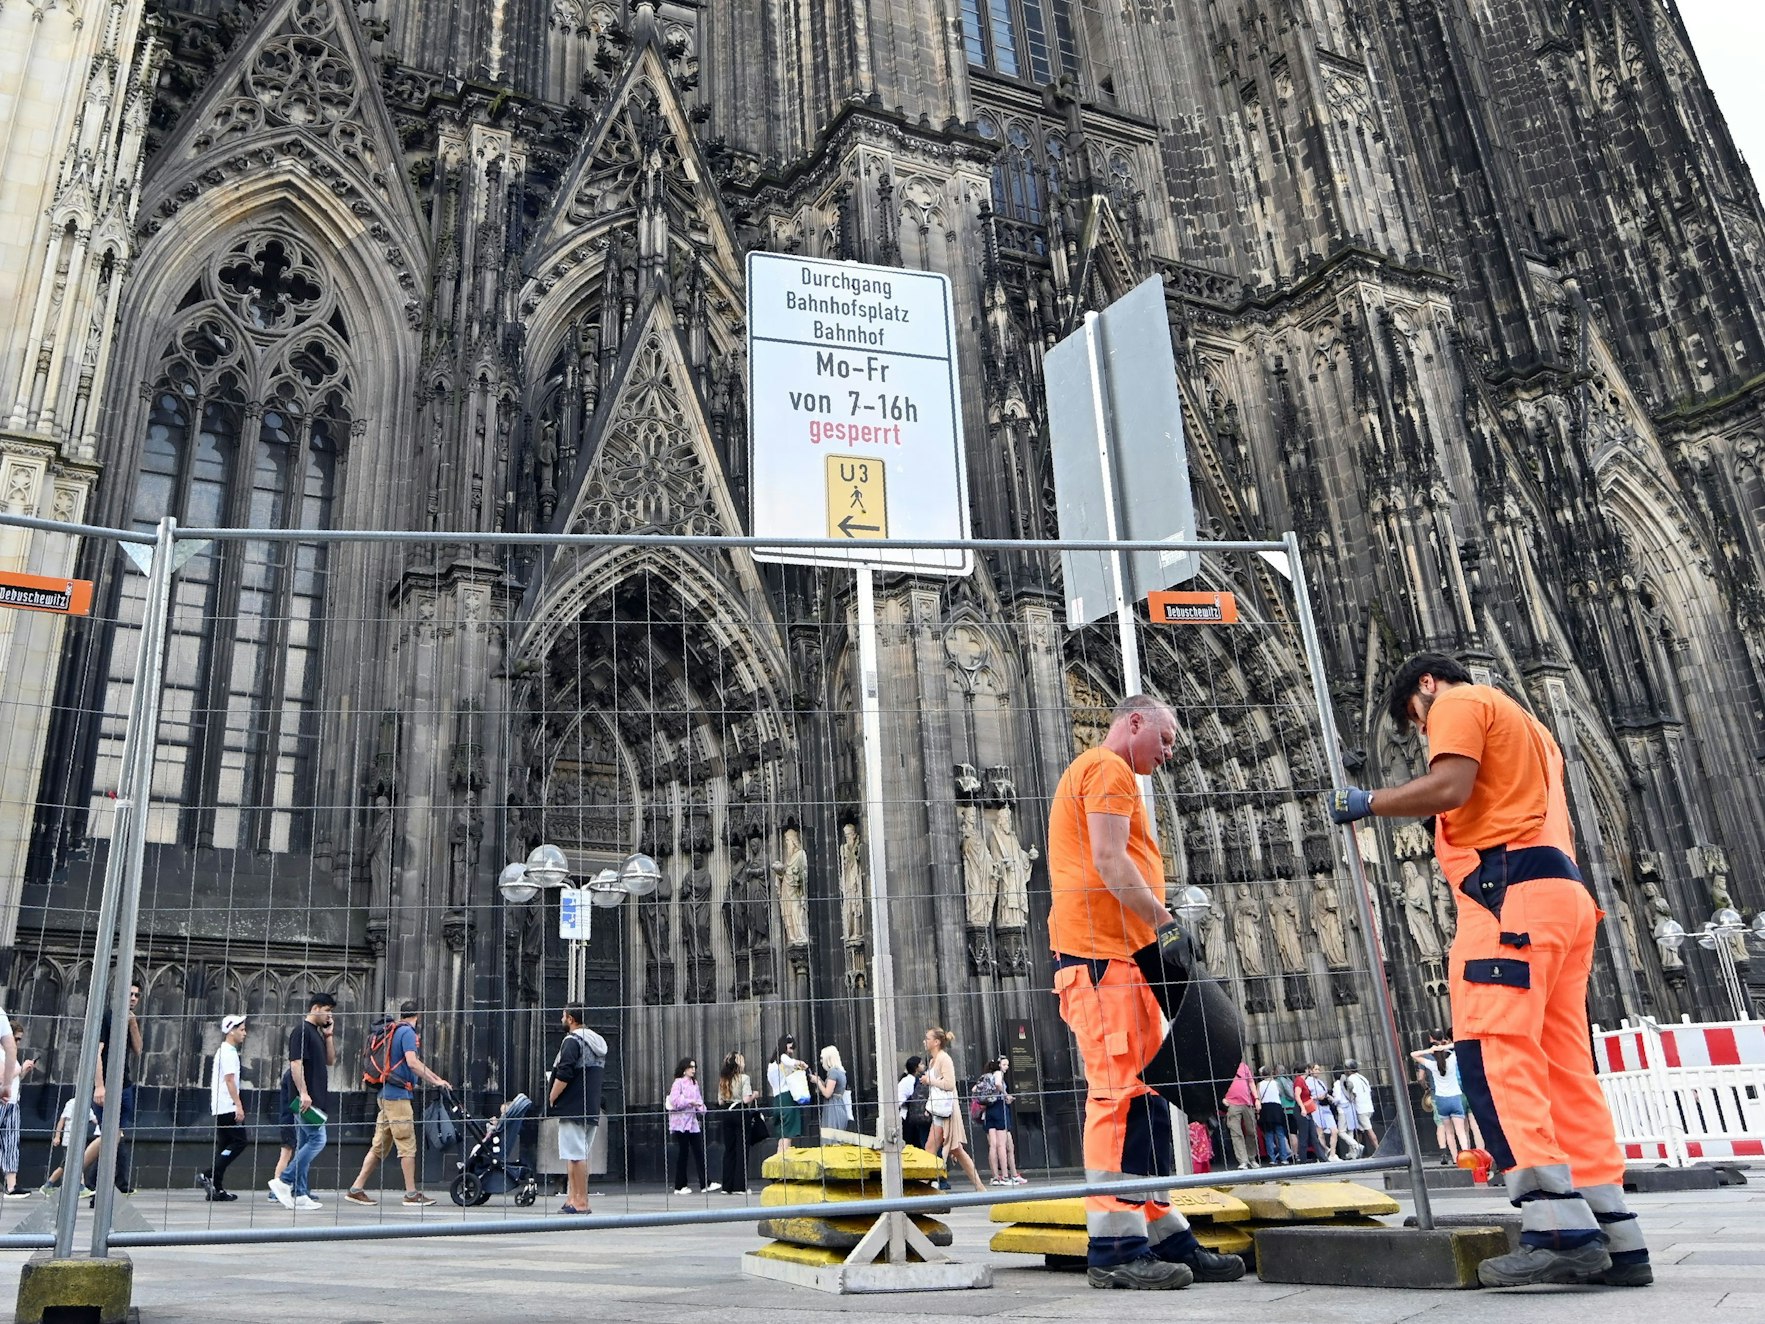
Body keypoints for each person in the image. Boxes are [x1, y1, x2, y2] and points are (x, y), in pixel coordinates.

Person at [1329, 652, 1652, 1288]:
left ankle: (1558, 1229)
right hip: (1562, 900)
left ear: (1425, 687)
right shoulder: (1533, 729)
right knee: (1563, 1069)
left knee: (1492, 1057)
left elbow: (1450, 786)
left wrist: (1368, 801)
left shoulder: (1457, 702)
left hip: (1507, 896)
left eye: (1415, 724)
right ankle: (1616, 1235)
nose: (1423, 734)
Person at [1046, 694, 1246, 1290]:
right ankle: (1114, 1249)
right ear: (1134, 722)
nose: (1169, 752)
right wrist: (1167, 923)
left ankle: (1163, 1235)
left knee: (1147, 1096)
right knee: (1118, 1097)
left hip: (1124, 959)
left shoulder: (1111, 774)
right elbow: (1109, 860)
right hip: (1101, 958)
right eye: (1165, 738)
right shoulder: (1106, 767)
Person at [345, 1001, 451, 1208]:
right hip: (398, 1097)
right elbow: (412, 1062)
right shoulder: (408, 1033)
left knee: (379, 1145)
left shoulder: (392, 1031)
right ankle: (411, 1194)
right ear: (417, 1015)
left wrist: (436, 1078)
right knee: (407, 1144)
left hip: (386, 1095)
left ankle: (356, 1189)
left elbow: (412, 1064)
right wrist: (437, 1081)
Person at [270, 991, 336, 1212]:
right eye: (327, 1011)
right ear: (315, 1008)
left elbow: (330, 1060)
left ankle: (300, 1193)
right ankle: (284, 1181)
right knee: (318, 1140)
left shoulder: (316, 1033)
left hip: (311, 1098)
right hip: (305, 1100)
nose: (329, 1016)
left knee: (305, 1144)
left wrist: (329, 1036)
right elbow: (295, 1064)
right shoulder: (301, 1031)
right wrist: (304, 1093)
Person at [547, 1008, 607, 1214]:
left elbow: (564, 1072)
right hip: (589, 1106)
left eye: (563, 1016)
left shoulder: (572, 1041)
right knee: (576, 1154)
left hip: (573, 1105)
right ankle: (573, 1198)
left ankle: (581, 1201)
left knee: (576, 1156)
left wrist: (552, 1096)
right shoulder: (595, 1042)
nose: (561, 1019)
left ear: (571, 1019)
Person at [921, 1027, 986, 1194]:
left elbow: (949, 1085)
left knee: (933, 1148)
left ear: (936, 1042)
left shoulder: (944, 1059)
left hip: (947, 1112)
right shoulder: (933, 1061)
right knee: (952, 1149)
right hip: (939, 1111)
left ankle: (920, 1188)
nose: (924, 1041)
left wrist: (930, 1080)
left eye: (927, 1038)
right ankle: (979, 1187)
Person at [95, 981, 142, 1193]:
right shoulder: (107, 1016)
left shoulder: (129, 1020)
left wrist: (133, 1025)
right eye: (130, 993)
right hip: (106, 1085)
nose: (133, 998)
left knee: (115, 1136)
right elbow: (97, 1053)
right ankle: (100, 1183)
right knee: (110, 1136)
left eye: (137, 995)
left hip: (124, 1085)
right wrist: (99, 1086)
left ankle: (102, 1184)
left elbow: (138, 1050)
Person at [197, 1015, 249, 1201]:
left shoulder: (226, 1051)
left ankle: (217, 1188)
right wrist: (238, 1105)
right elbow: (229, 1080)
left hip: (221, 1106)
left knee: (225, 1146)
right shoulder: (228, 1052)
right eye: (242, 1029)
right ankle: (209, 1174)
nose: (244, 1033)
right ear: (232, 1030)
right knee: (239, 1142)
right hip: (227, 1106)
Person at [1411, 1040, 1471, 1163]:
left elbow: (1413, 1054)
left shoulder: (1432, 1065)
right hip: (1455, 1097)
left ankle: (1455, 1159)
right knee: (1461, 1132)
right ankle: (1465, 1157)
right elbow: (1458, 1045)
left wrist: (1429, 1050)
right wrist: (1444, 1046)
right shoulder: (1451, 1061)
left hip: (1441, 1100)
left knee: (1449, 1132)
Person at [2, 1016, 37, 1197]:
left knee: (11, 1143)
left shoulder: (11, 1056)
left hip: (12, 1102)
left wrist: (23, 1070)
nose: (17, 1043)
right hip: (2, 1102)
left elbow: (13, 1077)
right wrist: (19, 1068)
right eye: (15, 1039)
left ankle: (11, 1186)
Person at [666, 1057, 711, 1194]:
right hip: (680, 1123)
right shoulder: (678, 1082)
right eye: (691, 1067)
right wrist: (690, 1102)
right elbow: (675, 1101)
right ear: (684, 1069)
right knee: (683, 1153)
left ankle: (705, 1184)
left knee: (699, 1151)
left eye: (694, 1067)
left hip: (692, 1123)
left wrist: (702, 1109)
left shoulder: (694, 1083)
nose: (693, 1069)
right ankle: (679, 1186)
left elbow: (698, 1100)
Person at [715, 1051, 758, 1195]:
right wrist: (755, 1095)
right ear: (738, 1063)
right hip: (740, 1112)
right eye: (743, 1061)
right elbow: (746, 1100)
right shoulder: (744, 1078)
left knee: (729, 1150)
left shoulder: (723, 1079)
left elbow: (720, 1101)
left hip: (727, 1113)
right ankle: (740, 1186)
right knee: (742, 1149)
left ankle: (727, 1186)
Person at [42, 1095, 100, 1196]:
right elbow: (62, 1120)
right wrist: (57, 1136)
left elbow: (95, 1120)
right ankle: (78, 1187)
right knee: (70, 1164)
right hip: (69, 1140)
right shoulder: (72, 1103)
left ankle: (51, 1185)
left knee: (72, 1164)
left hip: (79, 1140)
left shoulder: (87, 1105)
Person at [980, 1055, 1025, 1186]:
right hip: (999, 1109)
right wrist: (1006, 1095)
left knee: (993, 1145)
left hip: (989, 1110)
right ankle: (1005, 1176)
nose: (1007, 1067)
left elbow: (974, 1090)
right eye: (1005, 1065)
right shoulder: (998, 1074)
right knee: (1002, 1145)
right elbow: (999, 1084)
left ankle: (995, 1177)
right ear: (999, 1065)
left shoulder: (986, 1076)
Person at [766, 1035, 808, 1153]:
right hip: (787, 1098)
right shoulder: (783, 1057)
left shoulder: (772, 1064)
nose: (791, 1051)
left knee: (781, 1137)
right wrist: (801, 1063)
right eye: (790, 1047)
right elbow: (790, 1061)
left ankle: (778, 1162)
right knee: (788, 1135)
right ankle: (784, 1164)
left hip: (777, 1099)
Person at [1220, 1061, 1258, 1169]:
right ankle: (1243, 1160)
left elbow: (1251, 1082)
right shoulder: (1222, 1066)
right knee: (1236, 1133)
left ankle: (1251, 1157)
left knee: (1251, 1131)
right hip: (1232, 1103)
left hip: (1247, 1102)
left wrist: (1256, 1099)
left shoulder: (1244, 1066)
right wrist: (1221, 1098)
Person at [1256, 1065, 1292, 1164]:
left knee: (1268, 1135)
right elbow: (1280, 1094)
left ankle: (1272, 1158)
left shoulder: (1259, 1084)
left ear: (1262, 1075)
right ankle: (1284, 1158)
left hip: (1265, 1109)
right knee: (1280, 1134)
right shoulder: (1276, 1083)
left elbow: (1258, 1097)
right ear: (1271, 1073)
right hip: (1276, 1108)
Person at [898, 1055, 932, 1154]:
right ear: (916, 1067)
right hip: (908, 1117)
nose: (924, 1066)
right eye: (921, 1064)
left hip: (917, 1115)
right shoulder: (907, 1081)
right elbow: (902, 1101)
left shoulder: (919, 1079)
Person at [1305, 1064, 1339, 1161]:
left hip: (1325, 1107)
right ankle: (1324, 1153)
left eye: (1318, 1069)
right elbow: (1307, 1097)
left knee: (1334, 1130)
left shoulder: (1320, 1082)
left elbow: (1325, 1093)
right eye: (1316, 1069)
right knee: (1320, 1132)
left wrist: (1330, 1098)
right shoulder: (1307, 1082)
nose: (1318, 1071)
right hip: (1316, 1107)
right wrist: (1317, 1097)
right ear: (1311, 1071)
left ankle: (1332, 1154)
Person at [817, 1045, 852, 1133]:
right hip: (839, 1104)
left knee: (831, 1136)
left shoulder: (833, 1072)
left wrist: (817, 1082)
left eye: (822, 1058)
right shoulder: (840, 1071)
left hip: (833, 1106)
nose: (821, 1061)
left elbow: (827, 1093)